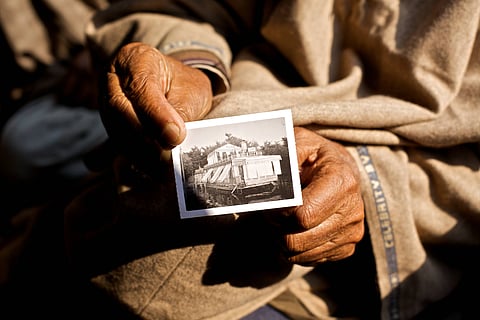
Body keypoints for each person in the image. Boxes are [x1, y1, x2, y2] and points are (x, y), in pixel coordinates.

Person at [3, 0, 479, 319]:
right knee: (25, 148)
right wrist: (190, 61)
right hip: (202, 118)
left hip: (366, 252)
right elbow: (197, 7)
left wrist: (364, 186)